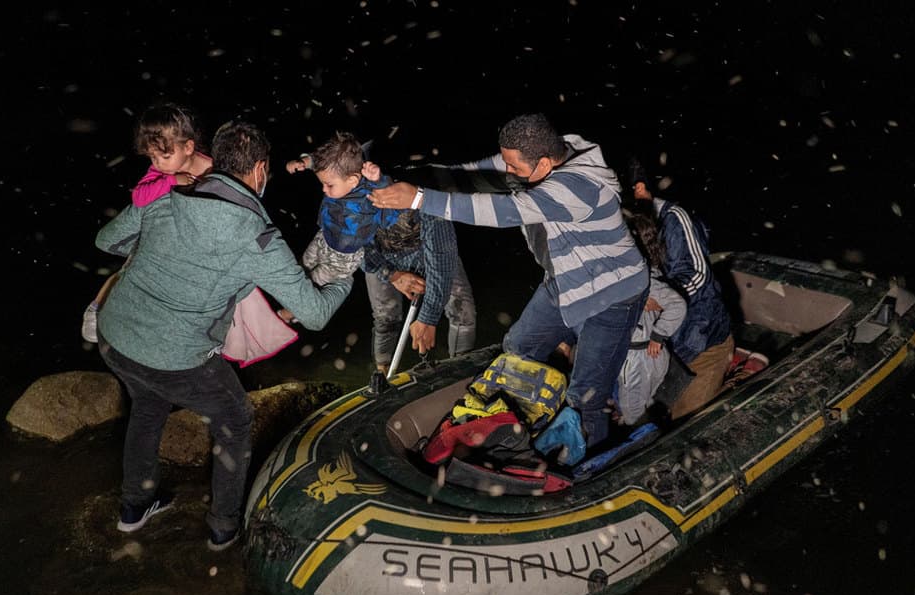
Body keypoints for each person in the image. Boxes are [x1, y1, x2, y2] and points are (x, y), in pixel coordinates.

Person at [95, 121, 351, 551]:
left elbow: (108, 241)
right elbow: (317, 314)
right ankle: (223, 529)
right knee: (234, 419)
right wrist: (345, 271)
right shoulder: (258, 237)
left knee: (148, 402)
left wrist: (162, 255)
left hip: (115, 337)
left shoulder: (166, 193)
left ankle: (135, 508)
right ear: (259, 170)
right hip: (173, 356)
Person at [370, 113, 648, 461]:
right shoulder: (561, 148)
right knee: (518, 346)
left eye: (515, 168)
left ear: (545, 163)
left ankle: (587, 471)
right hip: (566, 281)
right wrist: (407, 176)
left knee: (586, 400)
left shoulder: (578, 187)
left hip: (613, 294)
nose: (509, 173)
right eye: (508, 163)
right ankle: (526, 421)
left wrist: (420, 199)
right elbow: (472, 172)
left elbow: (502, 211)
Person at [286, 132, 476, 372]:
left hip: (427, 252)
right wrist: (393, 275)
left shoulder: (427, 189)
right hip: (380, 256)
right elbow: (356, 247)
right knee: (386, 317)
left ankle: (460, 371)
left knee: (463, 307)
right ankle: (382, 374)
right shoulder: (350, 195)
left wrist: (427, 317)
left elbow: (442, 258)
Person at [81, 103, 213, 344]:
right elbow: (139, 197)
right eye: (153, 157)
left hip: (182, 241)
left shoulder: (212, 170)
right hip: (151, 234)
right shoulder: (160, 172)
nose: (158, 163)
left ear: (188, 147)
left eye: (164, 156)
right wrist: (171, 180)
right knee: (130, 270)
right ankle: (96, 308)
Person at [626, 158, 735, 419]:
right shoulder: (627, 226)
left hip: (702, 342)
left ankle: (734, 380)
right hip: (667, 349)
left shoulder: (675, 219)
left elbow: (698, 274)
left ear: (639, 189)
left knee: (687, 422)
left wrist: (662, 300)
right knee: (653, 418)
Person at [614, 206, 687, 426]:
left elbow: (678, 304)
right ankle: (645, 419)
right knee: (647, 396)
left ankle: (635, 431)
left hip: (639, 357)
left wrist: (658, 334)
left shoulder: (643, 282)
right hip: (655, 356)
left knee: (632, 408)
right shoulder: (654, 273)